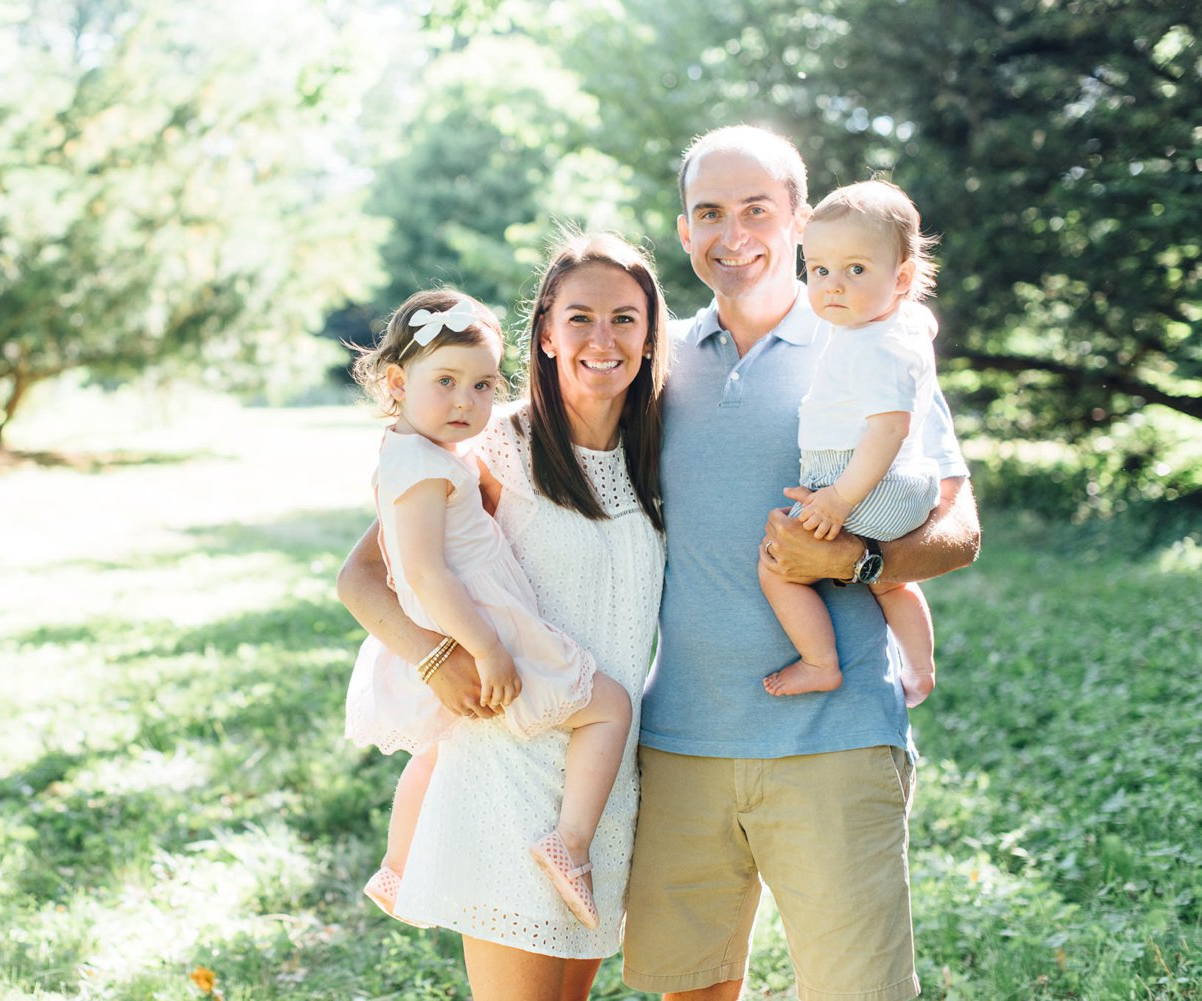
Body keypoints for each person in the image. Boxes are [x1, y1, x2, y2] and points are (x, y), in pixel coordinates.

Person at [621, 126, 980, 1001]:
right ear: (683, 231)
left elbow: (960, 526)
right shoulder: (653, 366)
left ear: (800, 220)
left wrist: (858, 561)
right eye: (710, 212)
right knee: (692, 989)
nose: (732, 232)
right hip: (681, 742)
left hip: (836, 737)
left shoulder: (868, 342)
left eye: (756, 210)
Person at [337, 232, 669, 1001]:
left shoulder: (660, 450)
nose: (601, 337)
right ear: (545, 332)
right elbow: (363, 575)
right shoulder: (486, 442)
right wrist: (435, 657)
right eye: (579, 316)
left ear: (651, 335)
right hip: (504, 758)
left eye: (625, 317)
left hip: (602, 776)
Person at [758, 180, 944, 704]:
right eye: (819, 270)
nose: (833, 286)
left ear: (902, 276)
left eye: (855, 269)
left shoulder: (875, 345)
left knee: (777, 565)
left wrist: (839, 498)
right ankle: (922, 668)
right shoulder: (904, 324)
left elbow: (889, 428)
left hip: (865, 484)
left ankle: (821, 663)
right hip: (903, 486)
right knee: (892, 585)